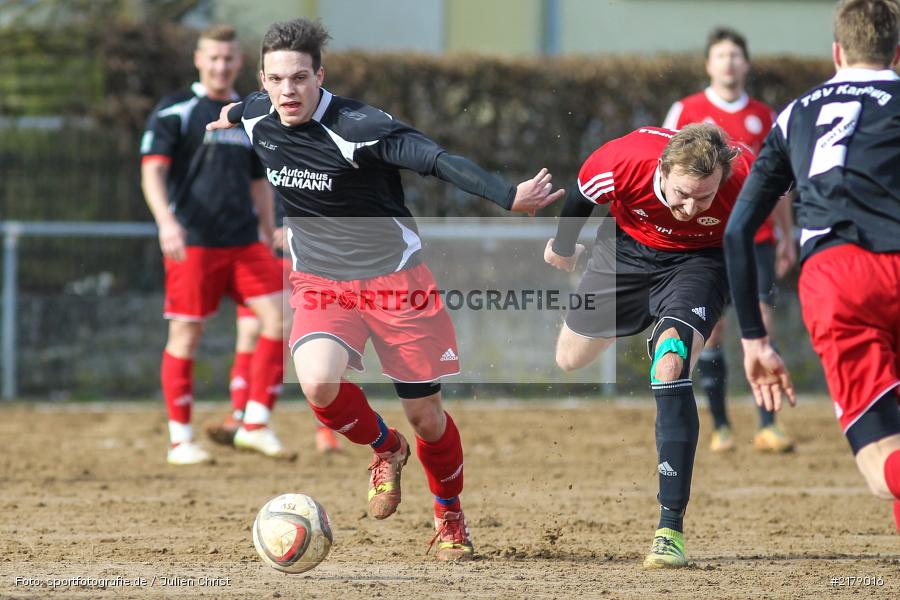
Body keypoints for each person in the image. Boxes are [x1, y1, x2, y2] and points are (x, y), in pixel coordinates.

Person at [206, 18, 564, 560]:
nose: (288, 91)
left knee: (427, 417)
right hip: (322, 283)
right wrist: (225, 114)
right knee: (318, 384)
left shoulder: (358, 126)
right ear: (262, 78)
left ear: (320, 76)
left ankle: (450, 517)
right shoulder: (257, 113)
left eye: (300, 78)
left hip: (397, 283)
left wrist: (506, 194)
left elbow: (438, 161)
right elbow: (242, 108)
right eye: (276, 79)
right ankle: (385, 447)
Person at [724, 0, 900, 534]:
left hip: (838, 279)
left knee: (880, 464)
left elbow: (736, 231)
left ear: (837, 52)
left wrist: (754, 341)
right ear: (896, 51)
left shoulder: (794, 114)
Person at [545, 123, 753, 568]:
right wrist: (564, 246)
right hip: (625, 252)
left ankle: (669, 529)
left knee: (671, 363)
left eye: (705, 197)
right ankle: (651, 324)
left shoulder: (743, 175)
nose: (692, 207)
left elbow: (799, 169)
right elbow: (582, 195)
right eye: (682, 194)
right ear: (662, 170)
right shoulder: (622, 162)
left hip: (699, 264)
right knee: (569, 358)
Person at [141, 24, 292, 464]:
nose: (221, 65)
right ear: (199, 59)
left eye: (229, 58)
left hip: (244, 241)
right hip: (194, 242)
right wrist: (166, 222)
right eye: (214, 58)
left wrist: (267, 230)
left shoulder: (250, 112)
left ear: (239, 62)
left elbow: (258, 180)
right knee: (186, 334)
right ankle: (180, 440)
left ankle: (256, 424)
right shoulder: (176, 110)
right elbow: (152, 170)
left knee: (280, 316)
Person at [663, 27, 798, 453]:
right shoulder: (686, 110)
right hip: (705, 241)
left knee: (763, 320)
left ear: (747, 64)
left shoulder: (764, 115)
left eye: (736, 55)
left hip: (755, 237)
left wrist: (786, 234)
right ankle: (721, 425)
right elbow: (664, 173)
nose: (729, 62)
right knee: (714, 329)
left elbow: (776, 184)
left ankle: (768, 423)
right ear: (708, 63)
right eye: (721, 55)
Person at [206, 213, 341, 454]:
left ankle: (326, 428)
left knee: (320, 340)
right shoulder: (255, 176)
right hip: (260, 260)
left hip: (308, 263)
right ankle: (241, 416)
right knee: (250, 331)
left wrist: (300, 237)